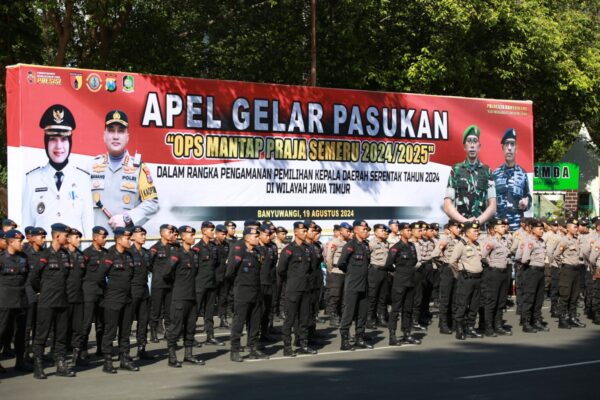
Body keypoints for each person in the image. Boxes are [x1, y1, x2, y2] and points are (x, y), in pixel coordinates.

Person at [22, 104, 93, 237]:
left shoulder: (83, 179)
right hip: (43, 255)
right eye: (53, 139)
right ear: (45, 142)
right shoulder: (32, 179)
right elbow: (27, 226)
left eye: (64, 139)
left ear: (70, 142)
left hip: (74, 255)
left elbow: (88, 228)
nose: (59, 146)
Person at [91, 110, 158, 229]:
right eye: (111, 130)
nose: (116, 136)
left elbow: (152, 203)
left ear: (127, 137)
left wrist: (127, 218)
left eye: (121, 131)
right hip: (94, 244)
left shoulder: (139, 168)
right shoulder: (91, 167)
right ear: (104, 135)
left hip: (125, 244)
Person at [30, 223, 76, 379]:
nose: (67, 238)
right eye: (66, 235)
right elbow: (33, 278)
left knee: (61, 336)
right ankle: (38, 366)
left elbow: (68, 276)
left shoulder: (66, 254)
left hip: (62, 301)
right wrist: (42, 290)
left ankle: (61, 365)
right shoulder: (44, 255)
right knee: (42, 335)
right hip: (47, 301)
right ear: (57, 236)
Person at [165, 225, 205, 368]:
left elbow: (196, 272)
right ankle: (172, 357)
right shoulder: (177, 254)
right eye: (190, 235)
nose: (193, 237)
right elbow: (166, 273)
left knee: (190, 328)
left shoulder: (194, 254)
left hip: (192, 297)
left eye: (194, 235)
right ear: (182, 237)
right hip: (180, 297)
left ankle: (188, 355)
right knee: (175, 328)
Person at [101, 227, 138, 374]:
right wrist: (109, 293)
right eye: (127, 238)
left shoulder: (129, 256)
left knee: (125, 332)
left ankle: (124, 359)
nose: (130, 241)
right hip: (113, 300)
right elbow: (99, 277)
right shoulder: (109, 255)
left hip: (127, 299)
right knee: (110, 332)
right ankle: (108, 362)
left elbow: (132, 274)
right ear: (119, 239)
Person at [226, 227, 266, 362]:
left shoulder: (257, 251)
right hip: (242, 292)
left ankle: (253, 348)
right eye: (255, 235)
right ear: (247, 237)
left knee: (255, 323)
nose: (258, 238)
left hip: (255, 291)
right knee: (239, 322)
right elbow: (230, 272)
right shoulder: (238, 250)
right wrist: (236, 287)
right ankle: (235, 350)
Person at [276, 222, 316, 356]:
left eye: (306, 231)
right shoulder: (289, 249)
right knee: (290, 319)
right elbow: (281, 269)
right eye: (303, 231)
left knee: (304, 319)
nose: (306, 233)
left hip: (306, 289)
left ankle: (303, 344)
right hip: (293, 289)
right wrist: (292, 280)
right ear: (296, 232)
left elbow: (312, 268)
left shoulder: (308, 249)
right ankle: (287, 347)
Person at [443, 125, 497, 224]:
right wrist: (466, 222)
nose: (472, 145)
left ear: (479, 147)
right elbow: (447, 205)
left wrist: (477, 222)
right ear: (464, 146)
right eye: (469, 141)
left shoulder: (487, 171)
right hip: (461, 228)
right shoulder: (456, 170)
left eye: (475, 141)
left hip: (480, 230)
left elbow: (493, 206)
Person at [337, 220, 373, 351]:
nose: (366, 231)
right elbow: (341, 263)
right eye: (363, 229)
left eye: (367, 229)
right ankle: (345, 341)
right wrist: (351, 273)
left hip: (364, 284)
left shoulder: (365, 245)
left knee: (362, 313)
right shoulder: (350, 245)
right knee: (348, 313)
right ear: (356, 230)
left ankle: (359, 338)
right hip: (352, 284)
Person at [385, 222, 421, 346]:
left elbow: (415, 260)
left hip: (411, 281)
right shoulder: (396, 247)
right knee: (395, 309)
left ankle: (407, 333)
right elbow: (389, 264)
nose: (409, 232)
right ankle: (392, 336)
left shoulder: (411, 246)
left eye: (410, 230)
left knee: (408, 309)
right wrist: (397, 273)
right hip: (400, 282)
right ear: (401, 232)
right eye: (407, 230)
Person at [0, 229, 31, 372]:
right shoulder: (1, 258)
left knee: (21, 333)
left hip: (21, 300)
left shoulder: (24, 257)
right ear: (11, 242)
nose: (22, 243)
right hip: (4, 301)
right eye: (19, 241)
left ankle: (20, 361)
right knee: (2, 331)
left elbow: (29, 277)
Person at [448, 221, 484, 340]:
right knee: (462, 305)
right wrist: (458, 275)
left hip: (478, 279)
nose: (477, 233)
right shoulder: (461, 244)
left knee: (474, 305)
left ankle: (470, 328)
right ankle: (459, 329)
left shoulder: (477, 244)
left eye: (478, 231)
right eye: (475, 231)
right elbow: (452, 261)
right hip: (466, 278)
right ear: (467, 233)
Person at [493, 128, 531, 231]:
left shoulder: (522, 174)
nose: (509, 148)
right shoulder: (495, 174)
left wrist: (526, 203)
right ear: (503, 148)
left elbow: (528, 198)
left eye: (512, 144)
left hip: (517, 230)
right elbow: (490, 203)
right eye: (506, 144)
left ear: (516, 148)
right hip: (499, 231)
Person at [193, 221, 223, 346]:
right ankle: (190, 337)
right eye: (210, 230)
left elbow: (217, 264)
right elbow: (194, 268)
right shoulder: (197, 248)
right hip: (200, 284)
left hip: (211, 283)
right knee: (195, 311)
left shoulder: (214, 247)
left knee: (209, 311)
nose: (212, 232)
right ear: (204, 231)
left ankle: (210, 336)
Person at [480, 218, 512, 336]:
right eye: (501, 226)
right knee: (491, 301)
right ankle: (488, 327)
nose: (504, 228)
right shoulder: (491, 242)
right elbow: (483, 256)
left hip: (503, 273)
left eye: (504, 226)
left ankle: (498, 325)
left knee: (501, 300)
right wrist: (491, 265)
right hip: (493, 273)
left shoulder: (504, 241)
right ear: (495, 229)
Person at [81, 226, 109, 359]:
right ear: (95, 237)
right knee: (86, 322)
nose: (105, 240)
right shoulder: (86, 253)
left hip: (102, 291)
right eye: (103, 237)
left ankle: (100, 348)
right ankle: (83, 349)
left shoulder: (106, 253)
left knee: (101, 322)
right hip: (89, 291)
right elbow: (81, 273)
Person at [553, 218, 586, 329]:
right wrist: (564, 264)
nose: (576, 229)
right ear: (568, 228)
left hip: (576, 270)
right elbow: (556, 255)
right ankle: (562, 319)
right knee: (565, 295)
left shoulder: (577, 240)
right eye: (574, 227)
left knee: (574, 296)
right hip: (567, 270)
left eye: (577, 227)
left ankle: (572, 318)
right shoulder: (564, 241)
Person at [519, 219, 550, 333]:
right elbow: (524, 258)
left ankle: (536, 321)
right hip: (531, 271)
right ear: (532, 229)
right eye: (540, 229)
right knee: (529, 298)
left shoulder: (541, 241)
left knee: (539, 298)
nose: (542, 231)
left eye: (542, 229)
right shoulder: (529, 242)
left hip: (540, 271)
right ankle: (527, 323)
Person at [431, 220, 461, 334]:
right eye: (457, 227)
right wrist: (443, 266)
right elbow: (434, 255)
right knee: (445, 299)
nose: (459, 229)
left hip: (457, 270)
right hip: (447, 270)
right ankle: (443, 325)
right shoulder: (444, 240)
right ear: (450, 228)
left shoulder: (460, 240)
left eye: (459, 227)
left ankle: (452, 323)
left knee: (455, 299)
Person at [149, 224, 176, 342]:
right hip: (158, 283)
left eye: (172, 232)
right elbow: (148, 264)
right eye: (169, 232)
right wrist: (158, 273)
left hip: (170, 284)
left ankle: (168, 333)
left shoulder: (173, 248)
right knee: (156, 310)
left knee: (169, 311)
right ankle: (153, 333)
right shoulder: (155, 248)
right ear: (162, 234)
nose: (171, 234)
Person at [129, 226, 153, 360]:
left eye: (144, 234)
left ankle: (141, 348)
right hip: (132, 290)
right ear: (132, 236)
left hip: (144, 290)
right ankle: (124, 352)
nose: (144, 237)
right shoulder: (128, 252)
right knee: (127, 322)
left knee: (143, 322)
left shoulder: (146, 253)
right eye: (141, 234)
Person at [65, 228, 86, 365]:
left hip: (78, 297)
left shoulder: (81, 255)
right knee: (62, 329)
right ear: (68, 239)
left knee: (78, 328)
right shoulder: (62, 255)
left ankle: (77, 356)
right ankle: (58, 356)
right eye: (76, 237)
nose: (79, 240)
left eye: (79, 237)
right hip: (64, 297)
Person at [324, 222, 351, 328]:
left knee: (344, 296)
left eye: (350, 231)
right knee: (335, 295)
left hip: (346, 272)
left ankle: (341, 315)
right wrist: (330, 269)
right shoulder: (334, 242)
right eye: (347, 231)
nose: (349, 233)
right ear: (341, 231)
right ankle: (333, 316)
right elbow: (329, 258)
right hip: (336, 271)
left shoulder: (349, 243)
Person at [256, 224, 277, 342]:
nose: (269, 237)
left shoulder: (272, 247)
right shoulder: (256, 248)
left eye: (270, 235)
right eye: (266, 235)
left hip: (269, 282)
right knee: (258, 310)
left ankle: (265, 332)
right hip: (258, 283)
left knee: (268, 309)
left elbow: (273, 263)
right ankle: (255, 334)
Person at [367, 224, 390, 329]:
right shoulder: (371, 243)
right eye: (382, 230)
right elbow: (366, 257)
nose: (384, 232)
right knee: (372, 296)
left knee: (383, 296)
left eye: (385, 231)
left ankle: (381, 318)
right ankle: (370, 319)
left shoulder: (386, 243)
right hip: (374, 271)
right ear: (375, 232)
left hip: (384, 271)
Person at [214, 224, 231, 328]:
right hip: (213, 277)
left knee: (223, 299)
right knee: (209, 301)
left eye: (225, 234)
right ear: (216, 233)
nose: (224, 236)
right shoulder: (211, 245)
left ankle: (223, 319)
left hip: (223, 276)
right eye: (222, 234)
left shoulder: (226, 245)